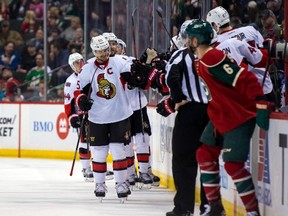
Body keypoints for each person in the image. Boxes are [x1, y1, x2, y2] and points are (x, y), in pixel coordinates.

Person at [185, 20, 271, 216]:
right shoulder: (201, 59)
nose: (186, 42)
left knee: (233, 163)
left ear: (196, 40)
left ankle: (252, 212)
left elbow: (243, 77)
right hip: (220, 114)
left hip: (238, 115)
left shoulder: (212, 57)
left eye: (189, 38)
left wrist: (259, 100)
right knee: (204, 154)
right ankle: (214, 207)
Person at [75, 35, 142, 201]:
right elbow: (79, 91)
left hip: (119, 114)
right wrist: (81, 100)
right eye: (100, 51)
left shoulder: (119, 62)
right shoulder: (88, 67)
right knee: (99, 152)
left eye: (105, 50)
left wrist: (138, 76)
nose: (104, 53)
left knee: (118, 149)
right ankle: (99, 184)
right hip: (97, 117)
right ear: (94, 51)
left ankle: (121, 183)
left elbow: (130, 77)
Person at [154, 19, 210, 216]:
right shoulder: (218, 53)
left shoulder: (181, 55)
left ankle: (184, 208)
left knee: (183, 160)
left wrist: (177, 100)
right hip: (212, 113)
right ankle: (210, 208)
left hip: (190, 112)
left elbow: (172, 78)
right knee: (209, 162)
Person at [64, 52, 94, 182]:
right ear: (72, 66)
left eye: (81, 60)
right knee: (84, 141)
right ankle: (86, 168)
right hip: (83, 115)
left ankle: (99, 166)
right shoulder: (70, 82)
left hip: (97, 113)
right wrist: (72, 116)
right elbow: (68, 102)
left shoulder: (90, 73)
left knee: (98, 142)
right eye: (76, 63)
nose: (79, 64)